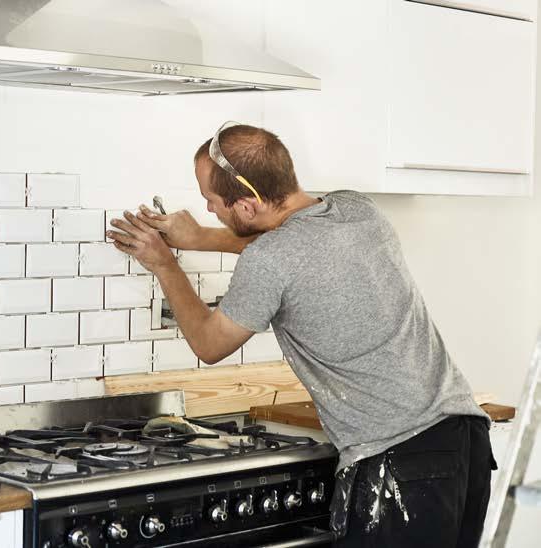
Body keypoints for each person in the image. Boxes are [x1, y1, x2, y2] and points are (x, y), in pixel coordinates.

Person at [107, 122, 495, 547]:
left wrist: (163, 264)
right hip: (466, 440)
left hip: (399, 462)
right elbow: (293, 244)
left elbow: (209, 343)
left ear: (247, 206)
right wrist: (199, 238)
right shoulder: (357, 209)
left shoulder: (270, 260)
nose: (208, 209)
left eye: (212, 201)